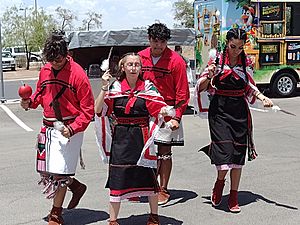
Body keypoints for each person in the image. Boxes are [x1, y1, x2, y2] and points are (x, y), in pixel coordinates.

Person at [20, 31, 94, 225]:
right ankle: (76, 187)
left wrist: (73, 128)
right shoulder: (45, 70)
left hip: (69, 128)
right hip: (48, 128)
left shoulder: (78, 74)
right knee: (47, 171)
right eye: (51, 60)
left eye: (59, 60)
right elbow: (40, 94)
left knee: (60, 173)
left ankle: (56, 213)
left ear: (66, 53)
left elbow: (88, 111)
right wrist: (29, 102)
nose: (55, 64)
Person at [196, 28, 273, 213]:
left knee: (237, 156)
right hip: (220, 111)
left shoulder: (246, 61)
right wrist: (211, 75)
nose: (236, 51)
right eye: (233, 46)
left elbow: (249, 86)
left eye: (239, 47)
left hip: (239, 111)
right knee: (225, 154)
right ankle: (219, 183)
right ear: (227, 43)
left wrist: (263, 98)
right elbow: (201, 87)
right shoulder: (216, 60)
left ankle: (233, 196)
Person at [95, 53, 174, 225]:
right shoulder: (114, 88)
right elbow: (99, 110)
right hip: (121, 140)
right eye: (129, 64)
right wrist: (103, 87)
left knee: (149, 178)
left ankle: (154, 217)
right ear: (122, 67)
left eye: (137, 64)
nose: (133, 68)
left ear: (141, 68)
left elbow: (159, 108)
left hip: (142, 138)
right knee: (118, 179)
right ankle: (113, 220)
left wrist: (165, 114)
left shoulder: (148, 87)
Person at [138, 23, 190, 205]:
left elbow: (183, 93)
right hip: (143, 111)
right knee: (143, 151)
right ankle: (145, 186)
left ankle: (163, 189)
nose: (158, 45)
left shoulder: (176, 61)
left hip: (167, 111)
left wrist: (176, 117)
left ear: (167, 42)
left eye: (162, 42)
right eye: (154, 41)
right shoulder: (140, 58)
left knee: (164, 151)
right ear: (149, 40)